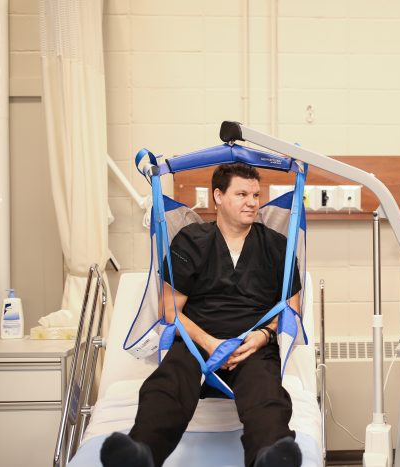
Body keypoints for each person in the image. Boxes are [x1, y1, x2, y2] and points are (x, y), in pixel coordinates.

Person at [100, 163, 303, 467]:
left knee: (267, 396)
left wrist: (262, 337)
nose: (252, 202)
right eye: (242, 193)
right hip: (197, 344)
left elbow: (292, 310)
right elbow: (169, 311)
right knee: (166, 386)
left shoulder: (277, 247)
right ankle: (140, 453)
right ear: (218, 196)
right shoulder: (190, 241)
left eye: (256, 195)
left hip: (252, 348)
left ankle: (268, 457)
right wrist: (209, 343)